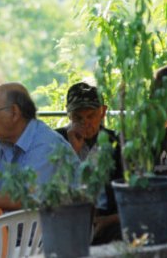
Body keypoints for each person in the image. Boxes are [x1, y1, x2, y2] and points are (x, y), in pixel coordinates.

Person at [54, 81, 123, 244]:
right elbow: (51, 187)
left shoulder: (118, 143)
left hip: (106, 219)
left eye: (91, 116)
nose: (85, 123)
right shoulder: (55, 141)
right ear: (69, 115)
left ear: (103, 112)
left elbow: (130, 194)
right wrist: (72, 152)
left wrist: (108, 220)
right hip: (66, 219)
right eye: (78, 117)